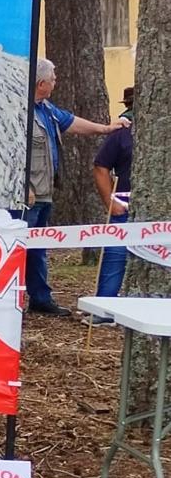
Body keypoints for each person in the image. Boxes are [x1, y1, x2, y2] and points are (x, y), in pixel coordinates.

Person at [23, 58, 131, 317]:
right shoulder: (19, 111)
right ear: (41, 83)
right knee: (19, 248)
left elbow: (72, 123)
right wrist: (22, 184)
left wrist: (106, 128)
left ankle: (40, 298)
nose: (56, 81)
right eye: (54, 78)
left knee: (38, 248)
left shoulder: (46, 109)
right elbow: (10, 151)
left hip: (44, 192)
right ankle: (10, 299)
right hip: (26, 195)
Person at [85, 85, 135, 325]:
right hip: (125, 205)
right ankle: (104, 308)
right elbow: (100, 166)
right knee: (116, 255)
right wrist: (110, 202)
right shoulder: (121, 133)